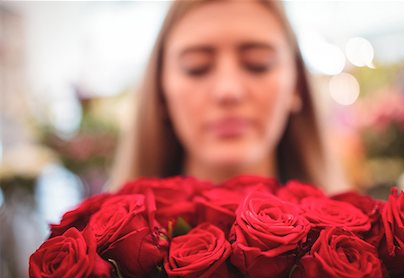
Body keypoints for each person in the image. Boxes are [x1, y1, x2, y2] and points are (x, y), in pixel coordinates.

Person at [110, 0, 348, 192]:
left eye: (258, 64)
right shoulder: (107, 247)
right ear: (160, 91)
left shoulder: (360, 241)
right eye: (197, 67)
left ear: (296, 85)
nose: (228, 91)